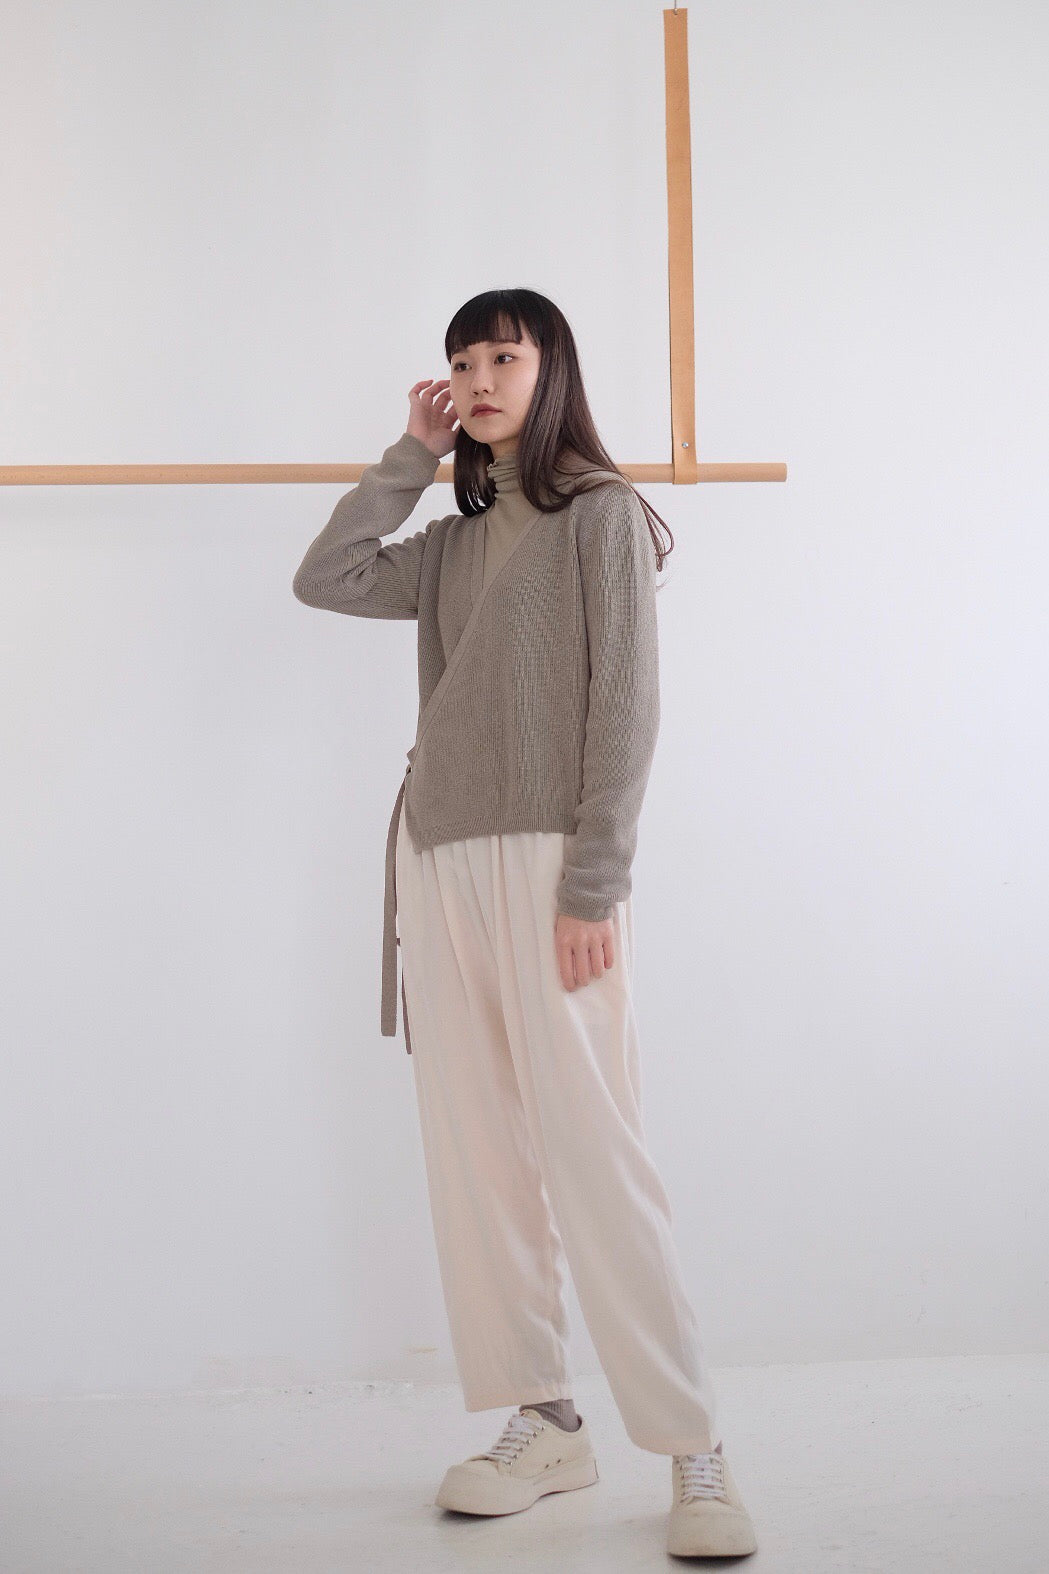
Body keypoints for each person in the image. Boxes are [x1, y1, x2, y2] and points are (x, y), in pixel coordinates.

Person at [292, 288, 757, 1557]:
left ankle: (693, 1442)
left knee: (595, 1149)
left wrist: (592, 883)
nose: (481, 376)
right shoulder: (447, 544)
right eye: (462, 359)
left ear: (551, 369)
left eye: (504, 353)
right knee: (478, 1154)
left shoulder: (599, 515)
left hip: (553, 862)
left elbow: (626, 707)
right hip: (437, 856)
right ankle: (545, 1419)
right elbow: (323, 578)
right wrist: (409, 457)